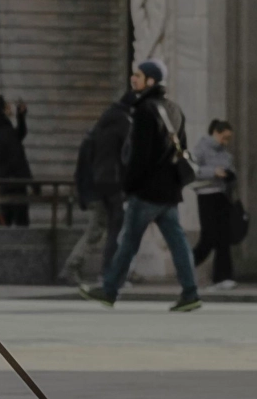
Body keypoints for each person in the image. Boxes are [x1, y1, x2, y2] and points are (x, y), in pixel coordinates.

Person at [80, 59, 203, 312]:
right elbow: (182, 149)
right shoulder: (175, 109)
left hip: (147, 191)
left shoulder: (145, 111)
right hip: (169, 192)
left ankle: (109, 290)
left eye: (138, 75)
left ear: (151, 80)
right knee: (178, 243)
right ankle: (190, 293)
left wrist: (128, 187)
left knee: (127, 243)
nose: (133, 79)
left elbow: (139, 156)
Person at [61, 89, 132, 284]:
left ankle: (105, 269)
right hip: (106, 186)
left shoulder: (101, 127)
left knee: (104, 228)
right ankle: (77, 266)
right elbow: (123, 158)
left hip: (95, 186)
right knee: (103, 229)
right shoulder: (122, 125)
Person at [191, 119, 238, 291]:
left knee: (223, 238)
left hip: (222, 196)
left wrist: (230, 175)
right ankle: (186, 265)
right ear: (216, 133)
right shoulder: (201, 149)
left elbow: (231, 170)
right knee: (208, 237)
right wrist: (213, 172)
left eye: (228, 139)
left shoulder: (226, 154)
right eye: (224, 138)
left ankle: (223, 277)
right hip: (206, 195)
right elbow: (191, 170)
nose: (226, 142)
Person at [0, 94, 32, 226]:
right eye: (6, 105)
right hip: (15, 183)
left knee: (8, 220)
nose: (9, 107)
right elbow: (17, 157)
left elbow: (18, 136)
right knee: (20, 221)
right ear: (1, 109)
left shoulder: (0, 128)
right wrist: (31, 181)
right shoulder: (4, 130)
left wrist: (20, 116)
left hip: (7, 182)